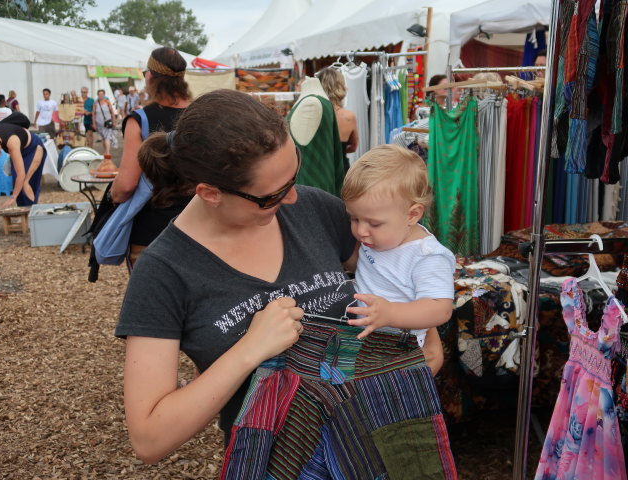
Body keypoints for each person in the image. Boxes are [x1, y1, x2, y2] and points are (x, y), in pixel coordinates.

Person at [114, 88, 357, 464]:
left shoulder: (316, 209)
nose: (293, 199)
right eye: (272, 196)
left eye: (295, 174)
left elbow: (392, 271)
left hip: (370, 441)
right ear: (210, 194)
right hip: (278, 464)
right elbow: (149, 438)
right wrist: (249, 350)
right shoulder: (163, 271)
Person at [341, 144, 455, 374]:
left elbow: (440, 309)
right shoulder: (377, 239)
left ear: (412, 215)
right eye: (354, 218)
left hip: (398, 351)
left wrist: (390, 313)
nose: (361, 231)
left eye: (373, 223)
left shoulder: (427, 257)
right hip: (363, 342)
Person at [110, 46, 192, 266]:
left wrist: (113, 196)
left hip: (152, 229)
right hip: (199, 225)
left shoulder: (139, 120)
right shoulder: (202, 114)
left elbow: (126, 185)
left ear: (150, 77)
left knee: (151, 297)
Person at [0, 121, 47, 207]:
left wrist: (13, 197)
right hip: (20, 148)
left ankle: (31, 214)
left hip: (33, 148)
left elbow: (21, 174)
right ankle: (23, 212)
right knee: (16, 181)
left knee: (25, 181)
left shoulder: (11, 143)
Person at [316, 67, 359, 172]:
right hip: (341, 167)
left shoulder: (315, 114)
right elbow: (353, 147)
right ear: (341, 86)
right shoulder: (349, 116)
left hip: (320, 169)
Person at [93, 89, 117, 157]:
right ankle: (105, 151)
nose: (101, 95)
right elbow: (93, 113)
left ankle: (108, 152)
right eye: (99, 94)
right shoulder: (95, 103)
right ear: (98, 95)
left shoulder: (107, 102)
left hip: (107, 122)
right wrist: (94, 123)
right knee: (103, 137)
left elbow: (112, 112)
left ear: (104, 95)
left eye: (102, 94)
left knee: (107, 137)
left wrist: (114, 121)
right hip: (99, 123)